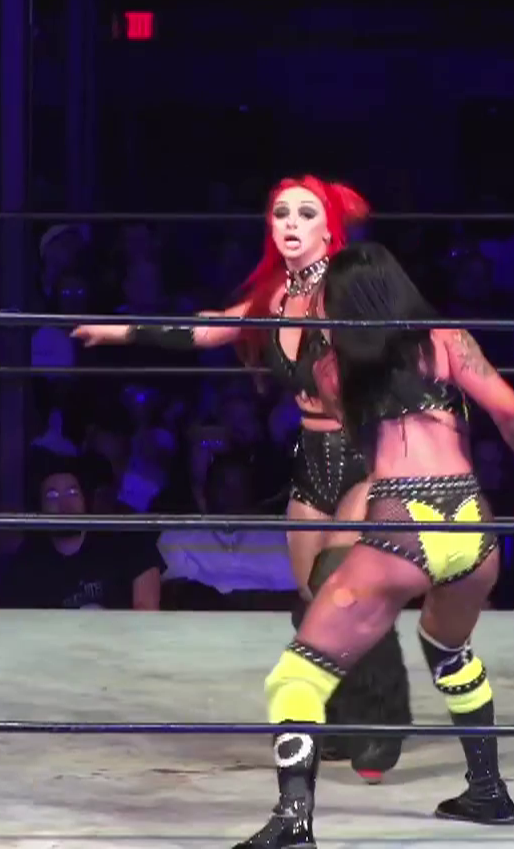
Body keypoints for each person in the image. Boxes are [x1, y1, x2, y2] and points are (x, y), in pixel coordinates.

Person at [72, 175, 412, 780]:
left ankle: (383, 714)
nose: (290, 223)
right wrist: (118, 331)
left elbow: (403, 346)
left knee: (343, 583)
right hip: (312, 457)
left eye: (305, 213)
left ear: (328, 227)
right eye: (281, 213)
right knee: (311, 597)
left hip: (366, 453)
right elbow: (205, 330)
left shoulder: (352, 289)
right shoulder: (273, 298)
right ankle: (337, 713)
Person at [235, 241, 514, 849]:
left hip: (404, 520)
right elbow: (511, 413)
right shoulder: (448, 340)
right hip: (472, 523)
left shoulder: (333, 368)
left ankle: (294, 820)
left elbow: (359, 441)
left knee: (296, 675)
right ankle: (488, 790)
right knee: (447, 646)